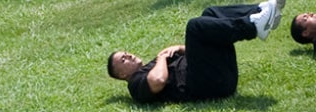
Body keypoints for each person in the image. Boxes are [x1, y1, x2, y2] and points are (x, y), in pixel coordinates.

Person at [109, 2, 283, 104]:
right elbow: (158, 81)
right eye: (123, 59)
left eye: (126, 53)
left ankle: (260, 11)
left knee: (210, 13)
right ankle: (253, 26)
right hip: (208, 86)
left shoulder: (152, 65)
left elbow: (195, 51)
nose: (129, 55)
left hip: (220, 76)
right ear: (122, 74)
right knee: (194, 26)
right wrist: (162, 58)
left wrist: (178, 49)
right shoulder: (136, 84)